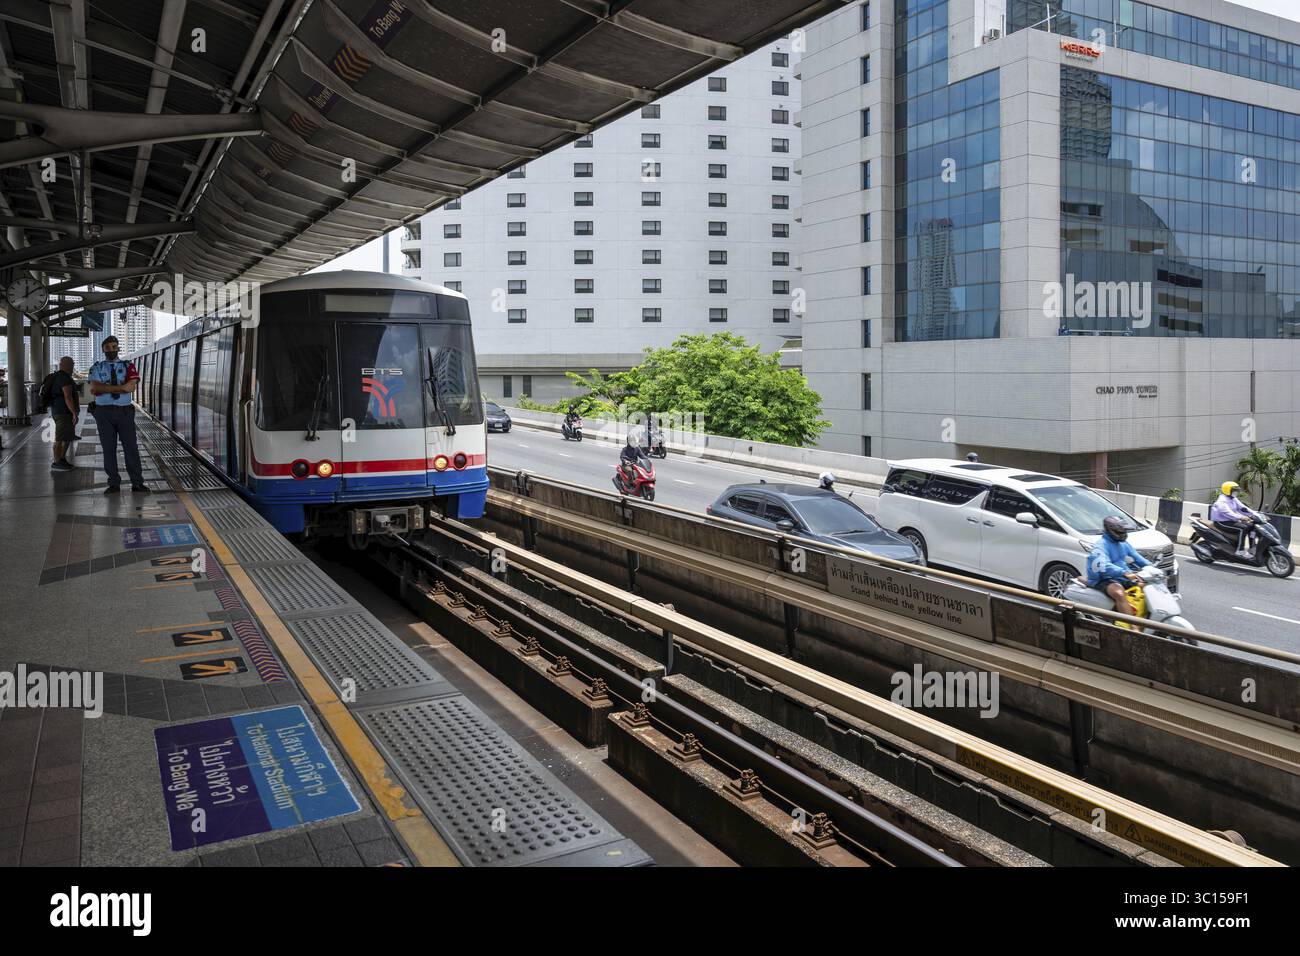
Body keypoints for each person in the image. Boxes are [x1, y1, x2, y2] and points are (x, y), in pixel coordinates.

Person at [88, 335, 149, 494]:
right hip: (103, 412)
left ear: (118, 348)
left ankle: (137, 483)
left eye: (114, 347)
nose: (111, 350)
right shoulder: (96, 367)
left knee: (131, 448)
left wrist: (105, 388)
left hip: (125, 412)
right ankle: (113, 483)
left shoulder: (129, 366)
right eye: (108, 348)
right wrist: (121, 388)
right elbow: (95, 387)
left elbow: (131, 387)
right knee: (108, 448)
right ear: (103, 349)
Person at [1085, 515, 1151, 617]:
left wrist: (1151, 568)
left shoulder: (1123, 544)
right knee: (1119, 593)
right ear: (1111, 530)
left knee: (1146, 586)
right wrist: (1124, 572)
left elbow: (1137, 557)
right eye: (1121, 531)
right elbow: (1103, 566)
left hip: (1119, 576)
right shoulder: (1101, 546)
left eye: (1124, 531)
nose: (1123, 533)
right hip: (1103, 578)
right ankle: (1132, 627)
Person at [48, 356, 80, 471]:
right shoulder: (64, 378)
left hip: (59, 411)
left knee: (65, 437)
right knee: (60, 438)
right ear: (67, 365)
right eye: (72, 364)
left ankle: (61, 459)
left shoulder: (57, 376)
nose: (73, 366)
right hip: (63, 412)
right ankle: (57, 462)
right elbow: (67, 396)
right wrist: (74, 413)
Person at [1210, 481, 1256, 557]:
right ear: (1228, 490)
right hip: (1221, 522)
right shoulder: (1221, 501)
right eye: (1234, 490)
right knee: (1243, 528)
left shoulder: (1233, 498)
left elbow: (1242, 508)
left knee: (1252, 526)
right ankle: (1240, 550)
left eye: (1236, 490)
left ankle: (1252, 548)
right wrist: (1242, 517)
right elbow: (1228, 513)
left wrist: (1255, 514)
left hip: (1231, 520)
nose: (1236, 492)